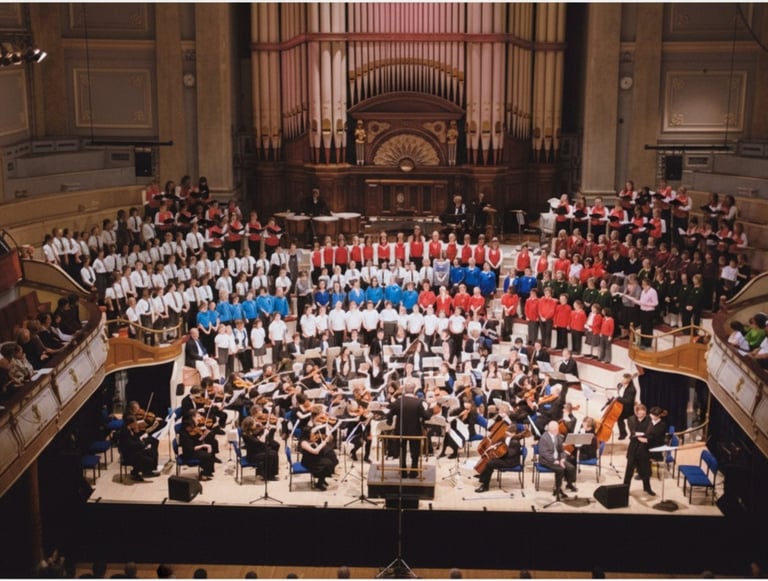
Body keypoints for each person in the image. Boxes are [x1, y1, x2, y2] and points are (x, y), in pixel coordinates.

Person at [386, 382, 433, 478]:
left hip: (401, 430)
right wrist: (429, 409)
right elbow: (426, 416)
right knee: (414, 451)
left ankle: (402, 471)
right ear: (414, 390)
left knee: (401, 450)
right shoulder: (418, 402)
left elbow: (389, 412)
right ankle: (413, 471)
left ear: (404, 390)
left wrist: (389, 422)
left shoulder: (399, 401)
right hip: (415, 431)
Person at [474, 423, 523, 493]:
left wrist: (499, 452)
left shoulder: (515, 441)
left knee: (490, 463)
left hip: (511, 462)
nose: (507, 435)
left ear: (514, 433)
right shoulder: (511, 439)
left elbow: (510, 454)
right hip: (508, 459)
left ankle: (485, 486)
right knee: (490, 461)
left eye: (508, 434)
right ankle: (483, 477)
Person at [537, 420, 577, 499]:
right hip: (546, 460)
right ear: (551, 430)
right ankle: (558, 490)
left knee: (571, 468)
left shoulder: (558, 436)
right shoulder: (544, 438)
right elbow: (544, 453)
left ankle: (569, 484)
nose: (558, 430)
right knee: (560, 470)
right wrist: (554, 461)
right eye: (556, 429)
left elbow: (561, 450)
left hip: (558, 458)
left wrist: (562, 459)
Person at [622, 403, 655, 496]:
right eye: (640, 414)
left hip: (644, 449)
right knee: (629, 471)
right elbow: (633, 432)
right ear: (636, 413)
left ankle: (647, 488)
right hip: (633, 448)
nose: (642, 416)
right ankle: (625, 489)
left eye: (643, 414)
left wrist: (644, 436)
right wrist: (641, 435)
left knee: (645, 470)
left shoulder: (649, 419)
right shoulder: (631, 419)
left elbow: (649, 432)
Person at [118, 415, 160, 481]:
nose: (136, 424)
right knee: (149, 459)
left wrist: (142, 435)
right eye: (135, 422)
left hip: (133, 451)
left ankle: (148, 471)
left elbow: (135, 439)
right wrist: (142, 444)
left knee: (152, 452)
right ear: (131, 424)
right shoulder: (125, 432)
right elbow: (131, 445)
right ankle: (136, 473)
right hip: (129, 455)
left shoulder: (128, 428)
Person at [299, 423, 339, 491]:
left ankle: (322, 479)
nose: (313, 435)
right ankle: (319, 483)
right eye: (311, 433)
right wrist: (323, 443)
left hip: (314, 459)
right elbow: (315, 451)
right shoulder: (303, 443)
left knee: (329, 461)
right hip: (308, 462)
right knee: (326, 463)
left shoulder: (311, 440)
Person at [240, 416, 280, 480]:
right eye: (254, 423)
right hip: (253, 456)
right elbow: (261, 441)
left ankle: (267, 473)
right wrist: (265, 433)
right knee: (272, 454)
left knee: (273, 450)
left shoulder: (248, 432)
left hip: (256, 451)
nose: (255, 424)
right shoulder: (247, 436)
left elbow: (257, 433)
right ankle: (268, 476)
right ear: (250, 425)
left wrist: (261, 426)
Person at [615, 373, 637, 440]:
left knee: (631, 423)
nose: (622, 379)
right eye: (623, 378)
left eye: (624, 378)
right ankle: (623, 434)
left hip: (628, 409)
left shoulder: (632, 389)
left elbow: (628, 401)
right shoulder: (620, 385)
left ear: (628, 380)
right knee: (619, 419)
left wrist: (618, 398)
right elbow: (618, 390)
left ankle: (633, 435)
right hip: (621, 407)